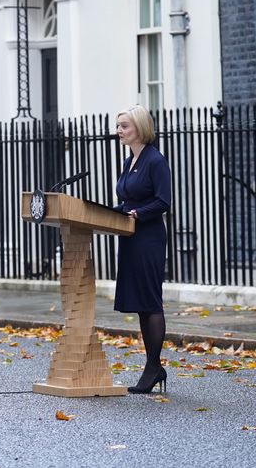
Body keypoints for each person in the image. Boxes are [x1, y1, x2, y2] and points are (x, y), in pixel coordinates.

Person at [113, 104, 172, 394]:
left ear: (140, 127)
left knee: (150, 302)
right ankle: (152, 366)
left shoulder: (155, 160)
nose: (119, 131)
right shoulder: (130, 161)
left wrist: (137, 213)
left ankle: (153, 367)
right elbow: (127, 200)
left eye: (124, 126)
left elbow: (163, 201)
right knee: (140, 305)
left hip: (148, 238)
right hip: (130, 238)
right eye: (118, 126)